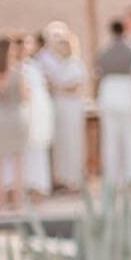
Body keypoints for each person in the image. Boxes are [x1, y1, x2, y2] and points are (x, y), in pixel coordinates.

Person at [93, 18, 131, 188]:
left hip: (109, 94)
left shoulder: (104, 51)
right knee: (130, 137)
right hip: (126, 93)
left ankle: (112, 176)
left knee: (111, 138)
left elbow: (97, 75)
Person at [0, 35, 31, 209]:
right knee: (18, 161)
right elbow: (26, 97)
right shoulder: (17, 72)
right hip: (15, 117)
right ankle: (18, 202)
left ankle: (0, 202)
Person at [47, 28, 89, 193]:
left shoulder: (76, 64)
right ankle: (63, 179)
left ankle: (75, 179)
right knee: (62, 143)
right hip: (60, 109)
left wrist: (59, 88)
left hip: (72, 108)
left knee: (73, 142)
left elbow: (76, 87)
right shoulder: (60, 65)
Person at [22, 33, 54, 200]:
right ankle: (28, 185)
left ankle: (39, 186)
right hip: (26, 113)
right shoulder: (22, 68)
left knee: (38, 148)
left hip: (38, 113)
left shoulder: (36, 66)